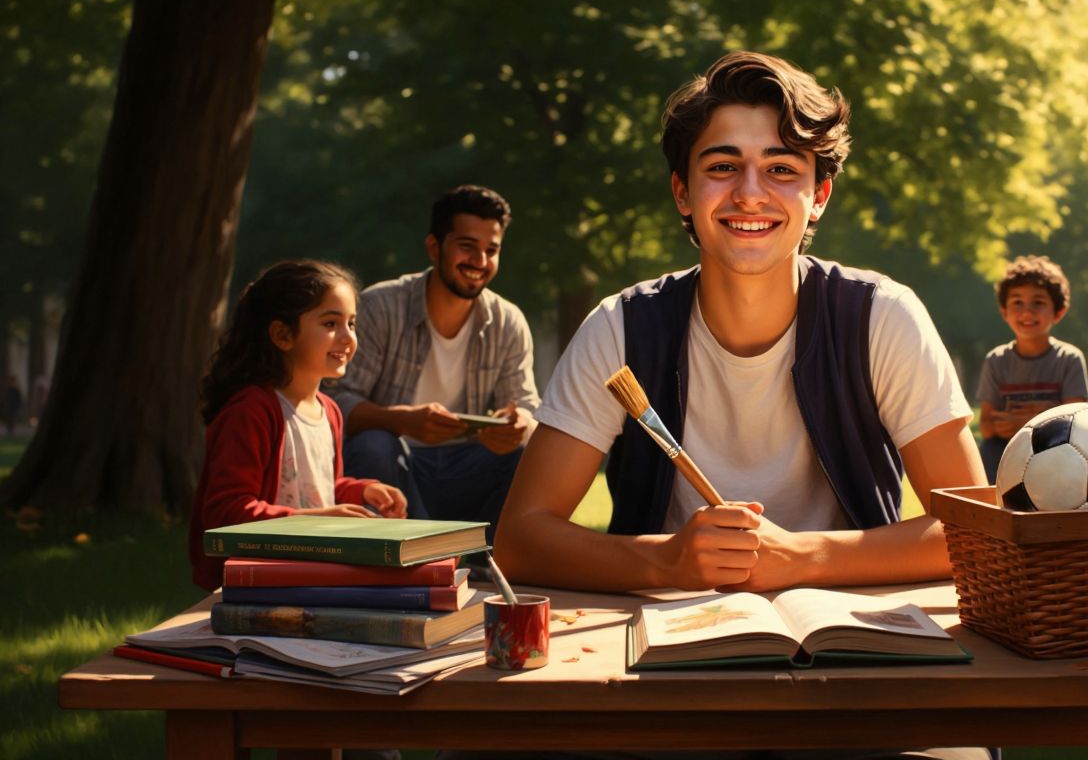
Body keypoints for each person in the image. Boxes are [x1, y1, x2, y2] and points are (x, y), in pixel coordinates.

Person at [495, 50, 984, 598]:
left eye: (781, 169)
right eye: (723, 167)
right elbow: (519, 539)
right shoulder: (619, 328)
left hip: (848, 648)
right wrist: (666, 561)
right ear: (683, 191)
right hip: (661, 647)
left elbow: (975, 530)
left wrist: (804, 557)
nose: (750, 192)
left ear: (818, 195)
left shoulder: (882, 317)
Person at [324, 185, 540, 535]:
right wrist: (400, 421)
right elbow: (335, 401)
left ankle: (493, 562)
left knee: (528, 453)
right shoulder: (380, 306)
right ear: (434, 247)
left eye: (492, 250)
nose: (480, 262)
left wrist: (518, 424)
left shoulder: (508, 322)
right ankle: (423, 557)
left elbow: (529, 409)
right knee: (374, 443)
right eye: (467, 246)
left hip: (468, 469)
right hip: (394, 467)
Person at [188, 261, 409, 593]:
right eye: (331, 323)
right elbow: (225, 511)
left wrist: (361, 490)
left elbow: (319, 487)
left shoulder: (330, 411)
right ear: (282, 335)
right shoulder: (252, 411)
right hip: (256, 584)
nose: (348, 337)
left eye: (352, 323)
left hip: (315, 576)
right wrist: (317, 522)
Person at [975, 256, 1088, 483]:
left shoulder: (1068, 358)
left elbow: (1075, 424)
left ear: (1058, 311)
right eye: (1017, 303)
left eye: (1038, 303)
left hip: (1055, 451)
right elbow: (987, 427)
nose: (1027, 313)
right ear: (1004, 311)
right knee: (989, 448)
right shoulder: (996, 360)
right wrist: (1044, 415)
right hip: (1007, 451)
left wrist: (1022, 423)